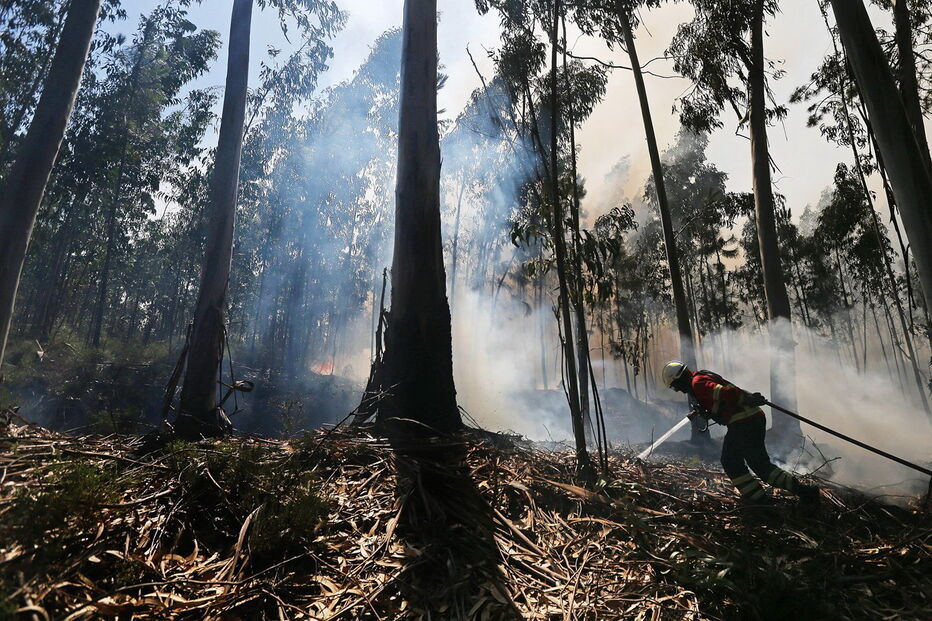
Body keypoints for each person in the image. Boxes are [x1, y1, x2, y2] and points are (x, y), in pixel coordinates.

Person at [661, 360, 819, 505]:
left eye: (675, 386)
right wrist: (710, 410)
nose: (678, 390)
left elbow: (726, 393)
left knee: (735, 462)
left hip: (744, 421)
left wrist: (746, 399)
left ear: (680, 378)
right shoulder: (700, 378)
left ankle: (763, 500)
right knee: (753, 464)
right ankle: (797, 493)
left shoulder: (698, 383)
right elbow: (722, 400)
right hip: (747, 420)